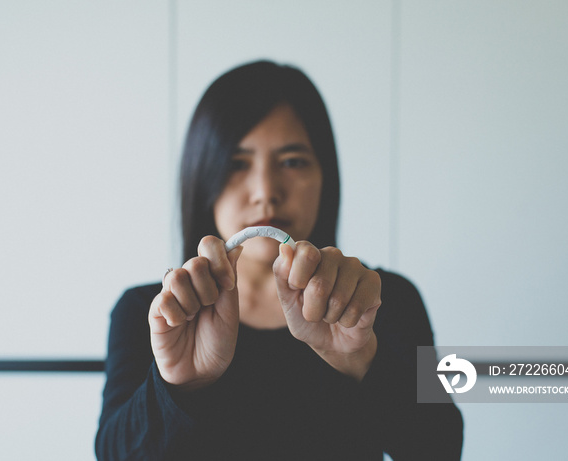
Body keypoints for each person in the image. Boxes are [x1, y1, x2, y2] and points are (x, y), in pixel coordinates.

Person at [95, 60, 463, 460]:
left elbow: (441, 449)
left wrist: (362, 359)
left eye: (292, 161)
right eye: (237, 164)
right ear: (203, 179)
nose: (266, 191)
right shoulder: (152, 315)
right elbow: (113, 454)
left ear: (326, 176)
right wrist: (177, 385)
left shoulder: (382, 301)